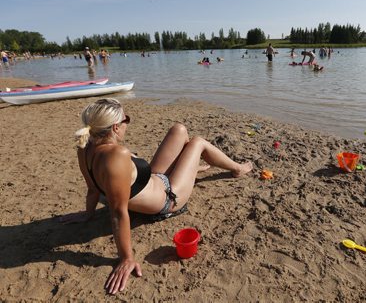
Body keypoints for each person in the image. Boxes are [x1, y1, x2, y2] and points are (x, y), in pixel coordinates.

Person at [60, 98, 253, 294]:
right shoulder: (116, 156)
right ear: (116, 127)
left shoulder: (85, 147)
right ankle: (237, 169)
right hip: (168, 198)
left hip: (154, 180)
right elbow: (118, 213)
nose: (127, 123)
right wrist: (126, 258)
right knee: (198, 143)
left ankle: (190, 168)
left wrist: (88, 213)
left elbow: (92, 188)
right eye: (126, 119)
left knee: (179, 130)